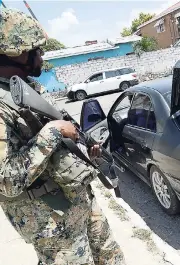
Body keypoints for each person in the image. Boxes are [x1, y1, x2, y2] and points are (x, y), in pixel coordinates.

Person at [0, 8, 126, 264]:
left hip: (78, 200)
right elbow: (6, 181)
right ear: (19, 52)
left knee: (112, 259)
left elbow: (56, 146)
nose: (42, 55)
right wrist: (54, 132)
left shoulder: (26, 89)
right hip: (51, 222)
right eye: (37, 49)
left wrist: (81, 148)